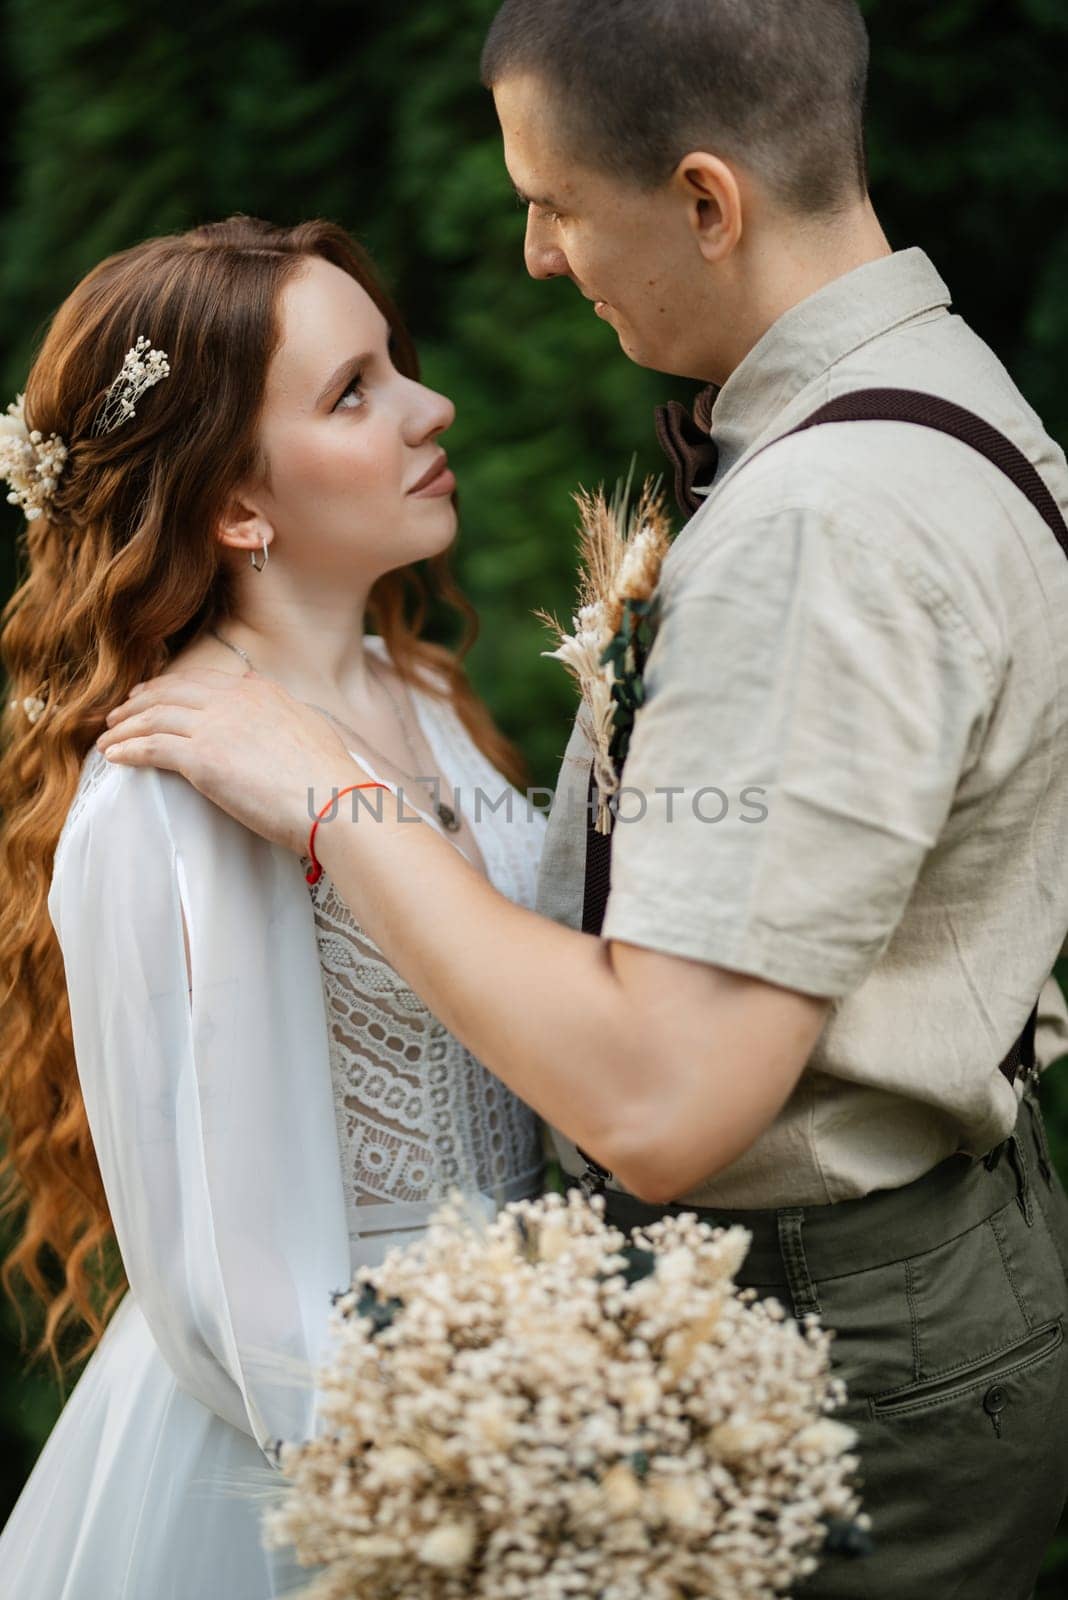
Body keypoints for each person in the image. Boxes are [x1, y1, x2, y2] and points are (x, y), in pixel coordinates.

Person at [89, 2, 1068, 1595]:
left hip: (839, 1341)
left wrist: (342, 803)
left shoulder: (816, 526)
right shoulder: (952, 411)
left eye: (551, 202)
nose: (537, 255)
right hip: (921, 1268)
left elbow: (666, 1106)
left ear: (704, 200)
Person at [0, 215, 547, 1598]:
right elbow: (215, 1294)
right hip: (335, 1461)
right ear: (238, 507)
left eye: (393, 365)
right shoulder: (162, 800)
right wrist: (446, 1495)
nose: (434, 406)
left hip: (540, 1371)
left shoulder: (416, 691)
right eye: (353, 390)